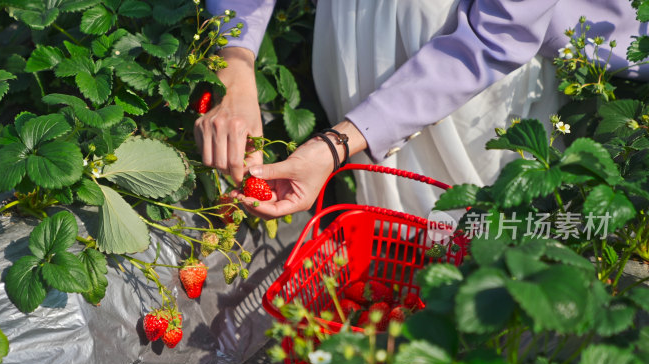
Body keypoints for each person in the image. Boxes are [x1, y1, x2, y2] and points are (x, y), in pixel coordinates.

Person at [196, 0, 649, 219]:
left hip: (475, 41)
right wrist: (235, 61)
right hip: (363, 17)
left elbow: (494, 38)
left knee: (462, 227)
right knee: (393, 226)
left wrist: (334, 145)